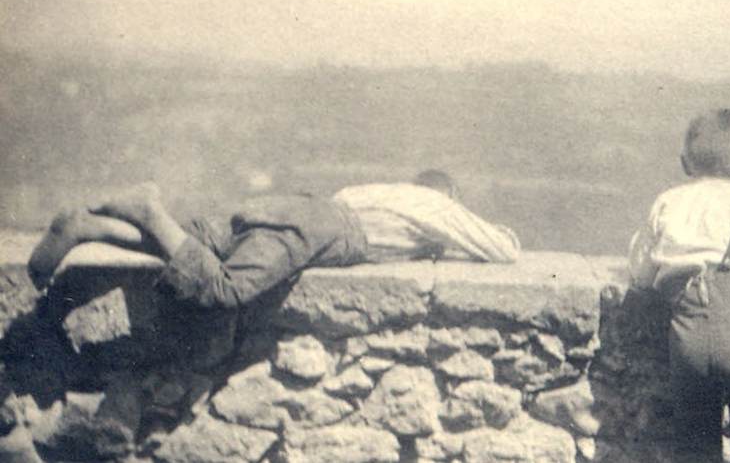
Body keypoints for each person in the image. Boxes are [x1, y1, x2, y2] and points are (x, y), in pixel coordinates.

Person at [28, 170, 521, 308]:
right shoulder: (437, 206)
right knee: (226, 288)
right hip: (326, 230)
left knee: (200, 241)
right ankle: (148, 208)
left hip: (298, 206)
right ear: (448, 197)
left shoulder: (377, 190)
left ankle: (90, 226)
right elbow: (502, 250)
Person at [628, 109, 730, 463]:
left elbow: (641, 275)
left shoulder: (669, 202)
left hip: (690, 338)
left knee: (695, 445)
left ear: (685, 163)